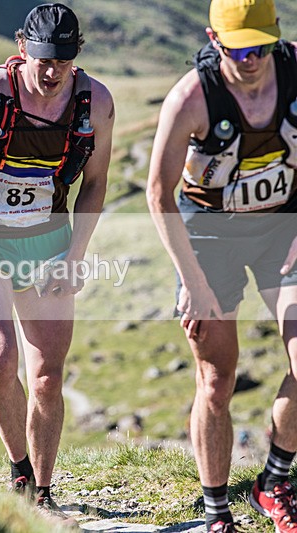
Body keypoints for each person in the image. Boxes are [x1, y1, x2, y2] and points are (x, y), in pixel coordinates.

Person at [0, 3, 114, 519]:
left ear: (76, 55)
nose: (51, 72)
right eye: (41, 60)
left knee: (47, 377)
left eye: (62, 60)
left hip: (47, 242)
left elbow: (96, 182)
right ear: (21, 47)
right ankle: (18, 468)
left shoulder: (95, 101)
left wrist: (76, 254)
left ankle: (43, 490)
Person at [146, 0, 297, 530]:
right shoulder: (191, 97)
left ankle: (273, 481)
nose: (251, 59)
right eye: (238, 48)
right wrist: (192, 282)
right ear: (214, 39)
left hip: (283, 228)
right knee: (217, 380)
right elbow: (158, 194)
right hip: (209, 238)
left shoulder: (295, 69)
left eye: (262, 46)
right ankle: (215, 511)